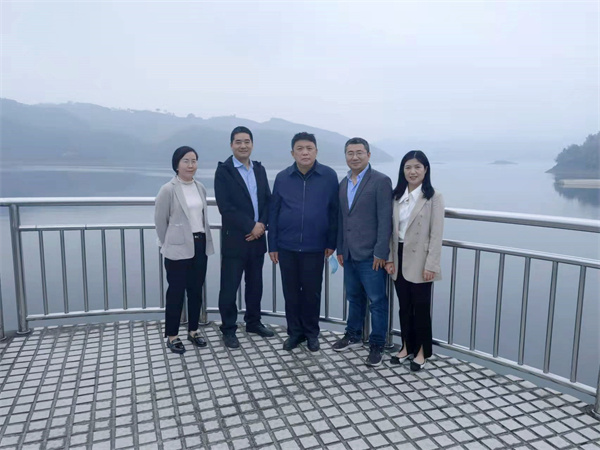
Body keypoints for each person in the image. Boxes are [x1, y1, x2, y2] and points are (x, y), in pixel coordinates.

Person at [268, 132, 339, 352]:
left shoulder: (328, 176)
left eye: (309, 148)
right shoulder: (282, 177)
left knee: (311, 293)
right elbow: (274, 212)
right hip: (286, 246)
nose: (305, 152)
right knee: (290, 293)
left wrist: (332, 242)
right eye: (300, 149)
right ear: (293, 153)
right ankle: (294, 333)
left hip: (315, 246)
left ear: (316, 151)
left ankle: (311, 333)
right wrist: (273, 245)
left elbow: (334, 211)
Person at [332, 137, 393, 367]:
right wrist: (340, 248)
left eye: (359, 152)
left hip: (372, 255)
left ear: (368, 155)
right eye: (350, 153)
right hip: (349, 253)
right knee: (353, 297)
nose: (354, 157)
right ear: (345, 156)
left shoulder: (380, 181)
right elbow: (342, 219)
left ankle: (377, 344)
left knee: (377, 301)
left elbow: (385, 219)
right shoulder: (343, 183)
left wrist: (381, 252)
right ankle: (353, 335)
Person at [214, 126, 273, 349]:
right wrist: (251, 226)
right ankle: (228, 329)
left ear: (252, 144)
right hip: (235, 239)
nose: (243, 145)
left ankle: (253, 322)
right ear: (231, 145)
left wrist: (262, 225)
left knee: (255, 284)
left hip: (257, 239)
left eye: (247, 141)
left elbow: (268, 200)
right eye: (238, 142)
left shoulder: (259, 169)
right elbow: (226, 207)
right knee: (229, 287)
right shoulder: (224, 171)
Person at [385, 150, 444, 371]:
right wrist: (390, 258)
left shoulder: (433, 197)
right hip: (398, 256)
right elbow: (391, 231)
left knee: (420, 307)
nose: (412, 171)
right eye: (408, 167)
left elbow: (436, 234)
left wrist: (431, 265)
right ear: (402, 170)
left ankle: (422, 351)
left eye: (417, 167)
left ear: (426, 170)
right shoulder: (396, 196)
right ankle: (406, 346)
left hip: (421, 258)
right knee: (404, 306)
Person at [154, 146, 215, 354]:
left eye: (194, 161)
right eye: (186, 161)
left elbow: (201, 217)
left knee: (196, 291)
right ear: (177, 164)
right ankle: (172, 335)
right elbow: (160, 221)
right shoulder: (168, 189)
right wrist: (168, 243)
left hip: (199, 244)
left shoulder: (200, 187)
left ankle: (193, 330)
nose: (191, 165)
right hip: (177, 248)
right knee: (176, 292)